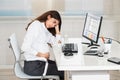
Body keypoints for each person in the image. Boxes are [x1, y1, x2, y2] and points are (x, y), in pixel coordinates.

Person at [21, 10, 64, 80]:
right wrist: (42, 55)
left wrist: (57, 30)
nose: (53, 25)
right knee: (63, 71)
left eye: (55, 25)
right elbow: (24, 47)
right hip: (34, 66)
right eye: (54, 22)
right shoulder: (36, 25)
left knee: (62, 66)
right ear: (49, 17)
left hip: (40, 63)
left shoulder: (44, 29)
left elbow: (57, 44)